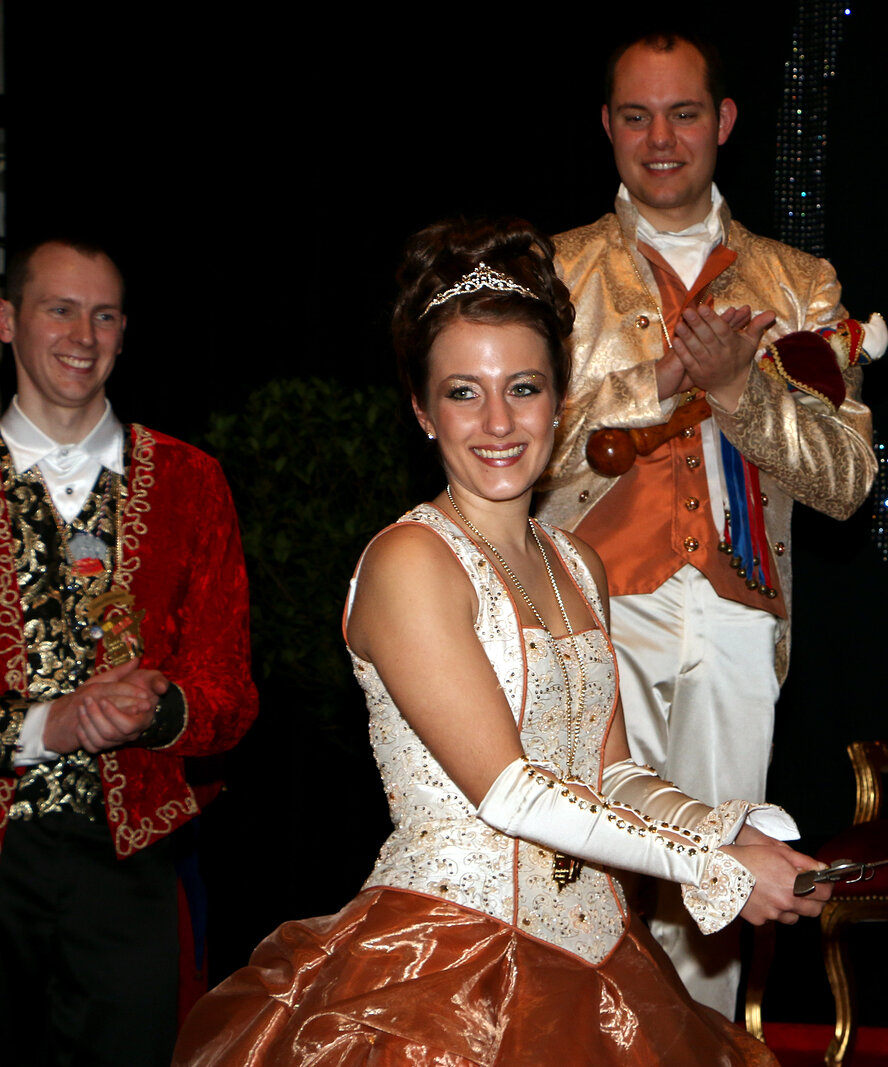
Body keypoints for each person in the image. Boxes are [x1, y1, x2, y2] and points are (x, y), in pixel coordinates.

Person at [173, 218, 830, 1066]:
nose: (497, 421)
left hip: (597, 958)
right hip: (446, 966)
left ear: (560, 399)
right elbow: (512, 793)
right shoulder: (409, 561)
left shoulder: (578, 562)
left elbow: (611, 773)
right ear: (422, 410)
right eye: (463, 392)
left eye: (523, 387)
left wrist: (726, 827)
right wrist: (713, 863)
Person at [538, 29, 878, 1016]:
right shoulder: (554, 273)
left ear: (723, 122)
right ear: (607, 126)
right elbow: (513, 454)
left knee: (717, 888)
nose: (661, 139)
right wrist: (660, 380)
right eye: (637, 115)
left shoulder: (799, 283)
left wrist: (740, 391)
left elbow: (845, 482)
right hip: (593, 612)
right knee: (583, 889)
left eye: (683, 113)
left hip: (736, 618)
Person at [0, 238, 258, 1066]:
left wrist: (162, 707)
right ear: (7, 320)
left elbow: (231, 691)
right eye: (60, 309)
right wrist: (46, 727)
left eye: (104, 315)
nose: (84, 335)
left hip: (133, 857)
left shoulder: (192, 480)